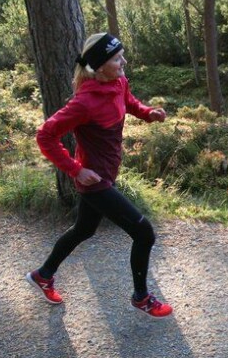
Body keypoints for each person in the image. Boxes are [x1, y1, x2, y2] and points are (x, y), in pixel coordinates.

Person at [25, 32, 172, 318]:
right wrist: (75, 169)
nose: (123, 62)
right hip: (95, 182)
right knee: (144, 233)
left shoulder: (118, 82)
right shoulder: (85, 102)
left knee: (84, 229)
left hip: (107, 173)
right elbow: (45, 135)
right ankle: (141, 297)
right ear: (101, 65)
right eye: (118, 58)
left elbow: (129, 102)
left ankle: (43, 275)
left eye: (122, 56)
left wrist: (148, 113)